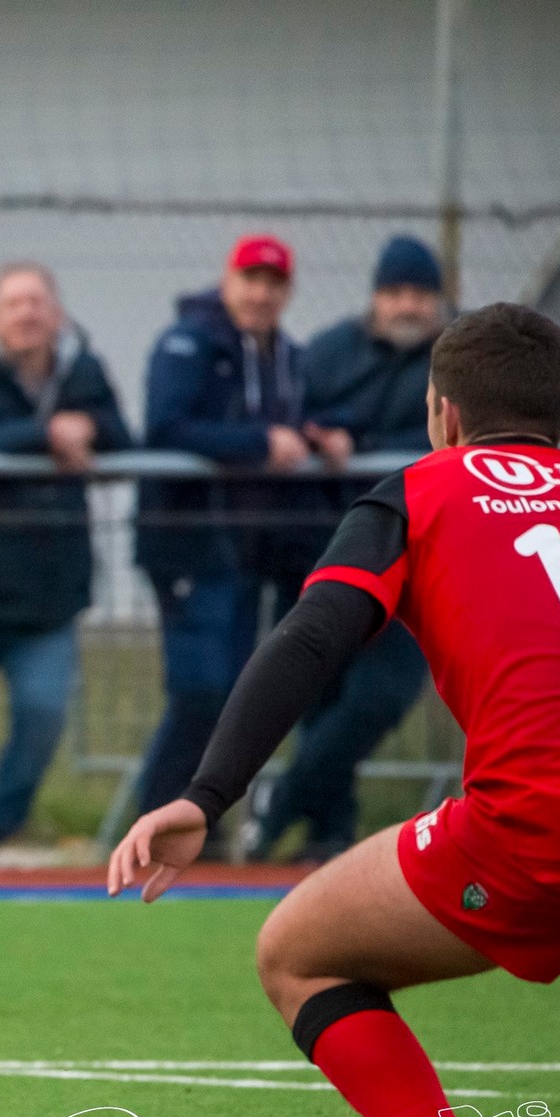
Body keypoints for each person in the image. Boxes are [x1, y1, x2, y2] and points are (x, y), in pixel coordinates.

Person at [110, 304, 560, 1117]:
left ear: (440, 413)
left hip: (541, 825)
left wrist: (205, 794)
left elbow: (311, 637)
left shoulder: (419, 491)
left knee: (297, 953)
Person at [0, 262, 131, 864]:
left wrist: (88, 426)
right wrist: (43, 436)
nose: (27, 314)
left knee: (43, 716)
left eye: (37, 302)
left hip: (50, 597)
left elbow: (125, 440)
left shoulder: (83, 374)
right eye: (14, 303)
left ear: (57, 314)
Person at [135, 234, 351, 838]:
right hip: (190, 545)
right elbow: (165, 426)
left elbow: (305, 416)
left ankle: (194, 830)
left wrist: (325, 436)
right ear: (227, 281)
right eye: (250, 280)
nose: (261, 294)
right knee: (201, 692)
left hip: (248, 553)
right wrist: (258, 444)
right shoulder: (187, 344)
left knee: (231, 695)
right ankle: (154, 824)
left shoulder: (288, 356)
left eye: (273, 284)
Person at [245, 236, 447, 861]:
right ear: (375, 297)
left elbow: (450, 437)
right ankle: (329, 837)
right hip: (329, 543)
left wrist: (357, 445)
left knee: (379, 698)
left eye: (420, 294)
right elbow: (297, 416)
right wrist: (321, 441)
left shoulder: (456, 358)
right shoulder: (331, 351)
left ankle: (276, 806)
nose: (407, 305)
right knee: (319, 694)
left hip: (420, 554)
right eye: (395, 292)